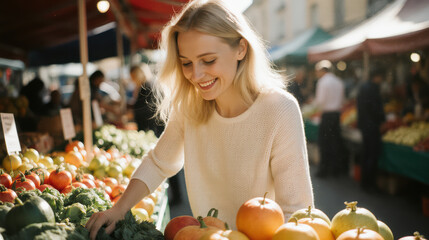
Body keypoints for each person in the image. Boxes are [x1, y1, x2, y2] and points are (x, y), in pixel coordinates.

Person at [85, 0, 313, 238]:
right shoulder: (189, 107)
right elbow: (158, 162)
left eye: (208, 60)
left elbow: (296, 212)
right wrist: (118, 209)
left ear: (241, 49)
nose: (196, 74)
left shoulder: (280, 110)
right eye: (186, 63)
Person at [313, 60, 345, 178]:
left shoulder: (323, 82)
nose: (317, 74)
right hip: (336, 115)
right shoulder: (339, 81)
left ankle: (324, 170)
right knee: (335, 142)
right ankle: (335, 169)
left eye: (317, 71)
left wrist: (316, 106)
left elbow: (320, 101)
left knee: (325, 143)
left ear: (322, 70)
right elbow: (342, 100)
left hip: (327, 115)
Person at [356, 67, 386, 192]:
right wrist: (381, 119)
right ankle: (370, 184)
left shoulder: (363, 87)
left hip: (364, 125)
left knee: (366, 153)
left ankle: (365, 182)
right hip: (372, 125)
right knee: (372, 155)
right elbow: (375, 108)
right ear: (377, 76)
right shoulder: (373, 88)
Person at [130, 64, 165, 137]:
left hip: (151, 128)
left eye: (133, 76)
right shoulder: (148, 84)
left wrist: (132, 113)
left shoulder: (147, 86)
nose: (132, 79)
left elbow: (146, 108)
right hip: (152, 126)